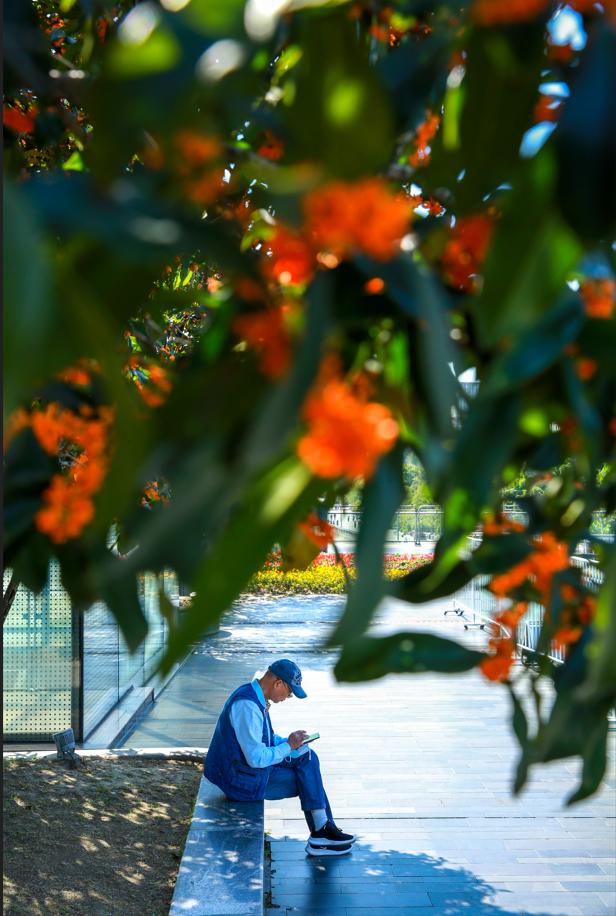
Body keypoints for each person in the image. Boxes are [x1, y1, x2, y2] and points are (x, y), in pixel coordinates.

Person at [204, 658, 356, 856]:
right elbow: (256, 758)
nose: (288, 696)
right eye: (290, 692)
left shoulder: (255, 697)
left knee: (308, 756)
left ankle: (323, 831)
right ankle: (322, 833)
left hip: (247, 771)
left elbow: (265, 739)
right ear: (278, 683)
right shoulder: (247, 706)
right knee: (308, 779)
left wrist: (292, 741)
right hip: (241, 781)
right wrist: (288, 746)